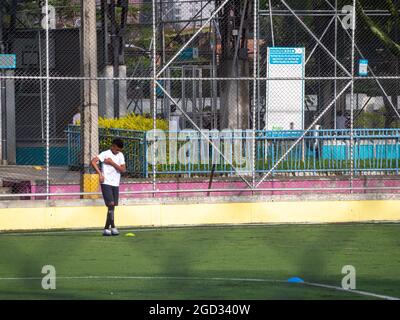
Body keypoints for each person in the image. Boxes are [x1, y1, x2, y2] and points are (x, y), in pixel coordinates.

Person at [91, 138, 126, 236]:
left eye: (119, 150)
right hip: (106, 182)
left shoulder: (120, 155)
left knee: (112, 205)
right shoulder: (105, 153)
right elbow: (93, 161)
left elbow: (123, 170)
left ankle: (106, 229)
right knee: (110, 204)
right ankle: (113, 227)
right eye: (117, 149)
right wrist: (100, 174)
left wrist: (111, 163)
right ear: (113, 146)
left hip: (116, 183)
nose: (118, 151)